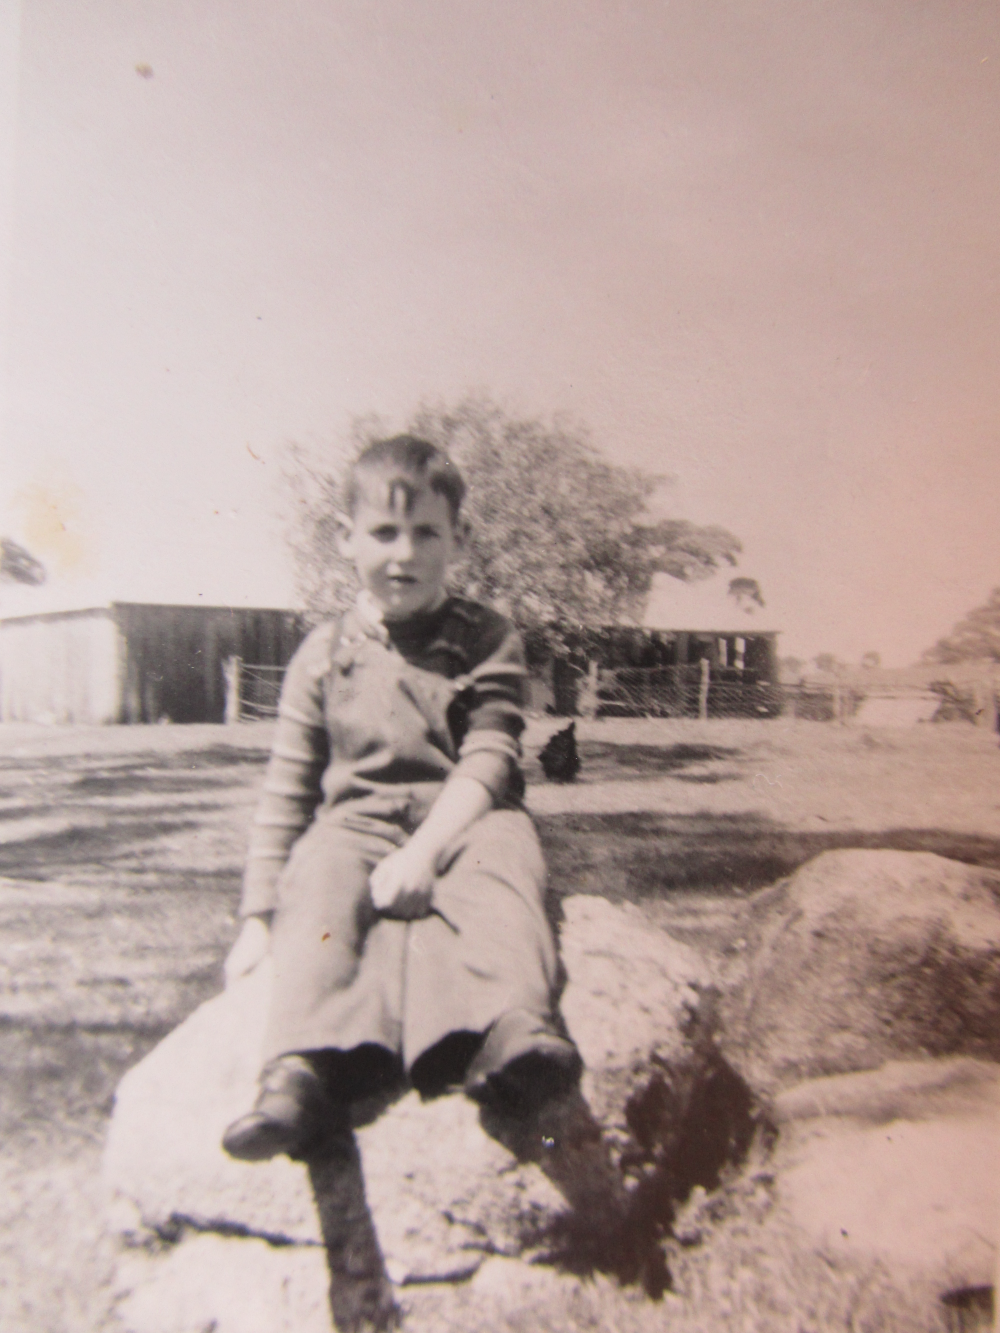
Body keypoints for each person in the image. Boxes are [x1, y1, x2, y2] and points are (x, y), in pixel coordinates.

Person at [222, 434, 581, 1161]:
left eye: (426, 533)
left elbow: (489, 756)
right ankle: (301, 1071)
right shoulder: (322, 654)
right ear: (346, 538)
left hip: (467, 815)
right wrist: (257, 921)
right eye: (384, 532)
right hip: (355, 824)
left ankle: (513, 1033)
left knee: (502, 866)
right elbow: (286, 793)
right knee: (321, 881)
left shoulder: (487, 638)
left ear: (459, 540)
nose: (404, 554)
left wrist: (425, 852)